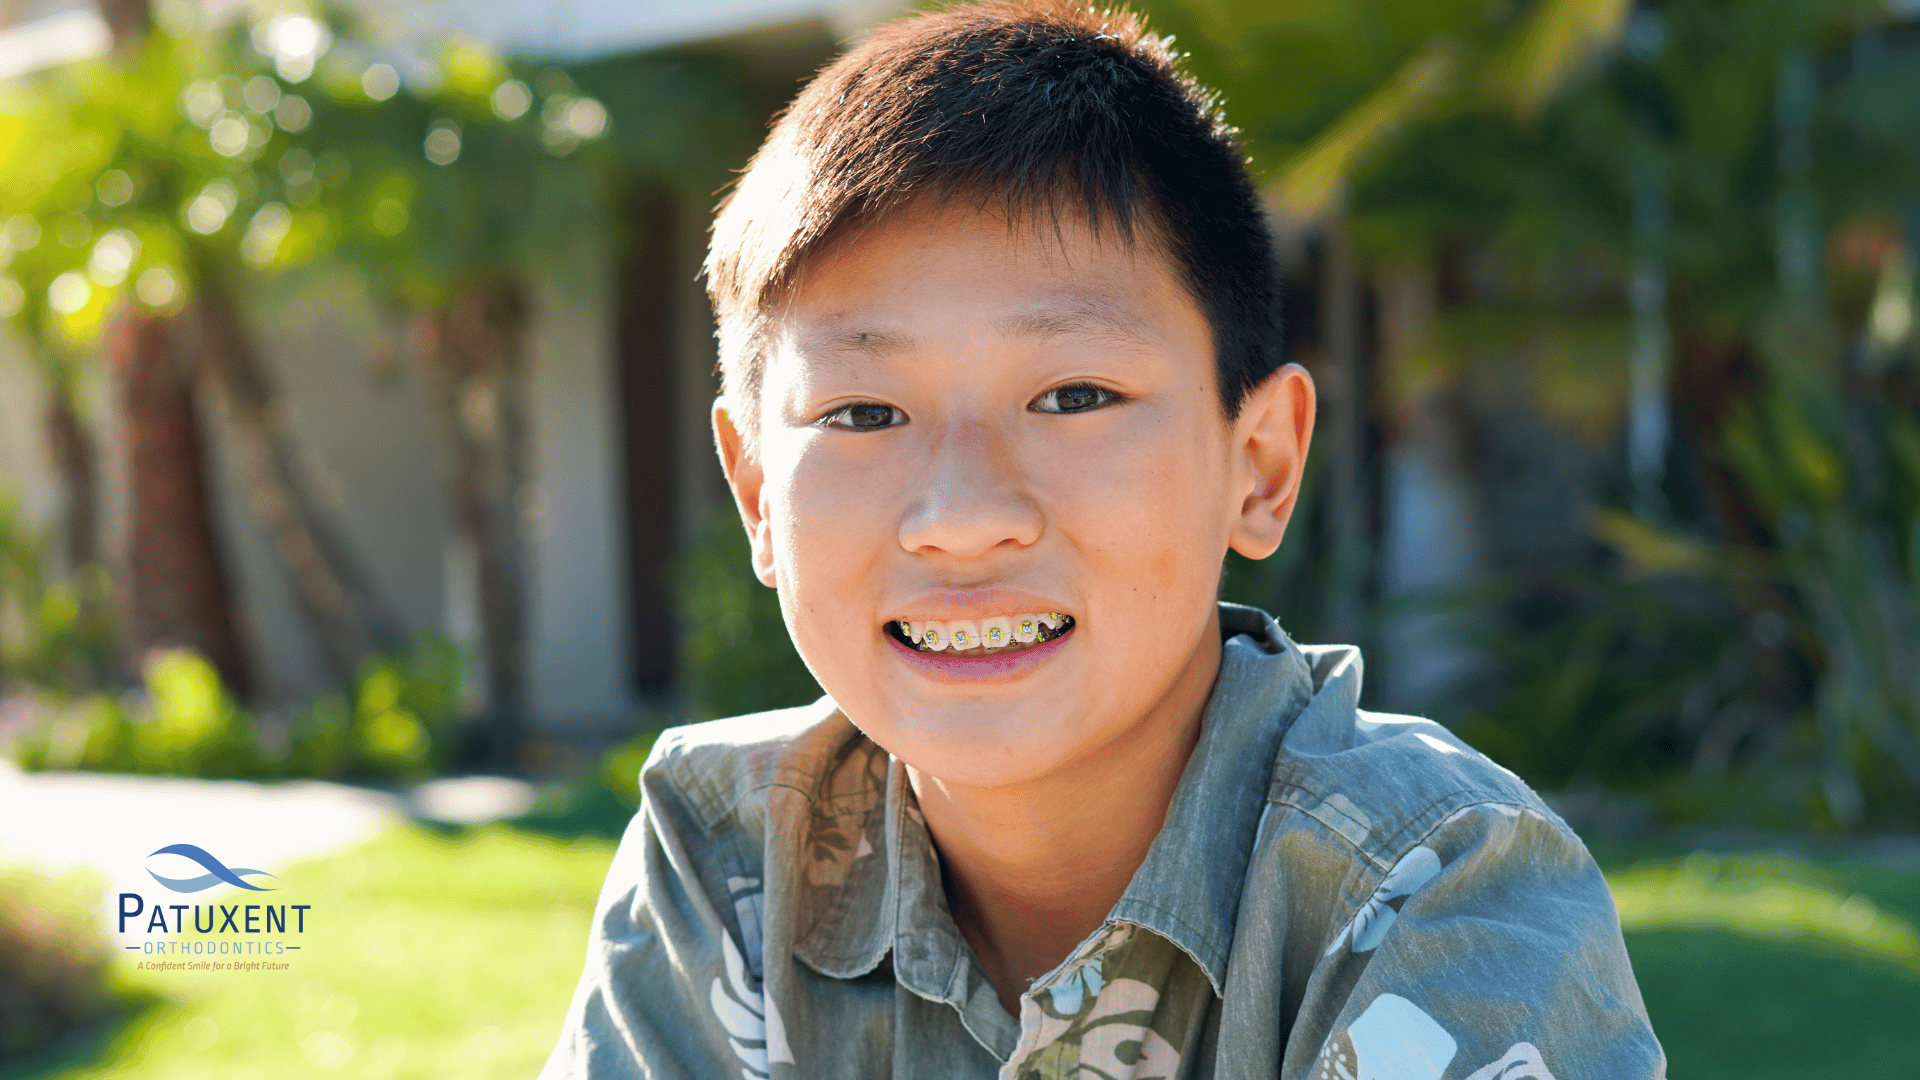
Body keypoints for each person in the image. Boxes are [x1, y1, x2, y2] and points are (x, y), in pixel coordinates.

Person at [542, 2, 1665, 1076]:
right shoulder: (731, 861)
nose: (966, 514)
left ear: (1259, 464)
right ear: (756, 496)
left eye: (1075, 396)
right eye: (864, 413)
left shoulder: (1434, 886)